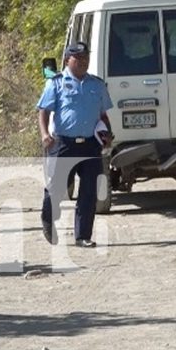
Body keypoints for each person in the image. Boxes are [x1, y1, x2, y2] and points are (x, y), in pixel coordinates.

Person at [37, 42, 113, 248]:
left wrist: (108, 134)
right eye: (78, 59)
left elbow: (103, 114)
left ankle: (83, 236)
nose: (83, 62)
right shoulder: (56, 83)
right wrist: (45, 135)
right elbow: (43, 111)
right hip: (64, 144)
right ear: (67, 60)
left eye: (86, 58)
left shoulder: (97, 85)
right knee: (58, 187)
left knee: (89, 191)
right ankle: (47, 216)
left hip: (90, 144)